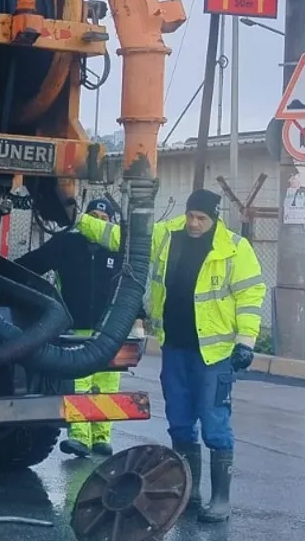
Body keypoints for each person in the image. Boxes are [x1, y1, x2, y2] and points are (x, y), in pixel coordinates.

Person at [77, 188, 266, 523]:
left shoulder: (235, 249)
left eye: (201, 218)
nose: (194, 223)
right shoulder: (167, 235)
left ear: (214, 218)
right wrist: (80, 220)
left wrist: (245, 342)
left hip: (214, 355)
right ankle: (188, 493)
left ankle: (220, 500)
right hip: (175, 347)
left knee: (214, 424)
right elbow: (121, 238)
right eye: (191, 216)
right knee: (180, 423)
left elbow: (250, 295)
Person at [16, 197, 126, 458]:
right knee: (79, 383)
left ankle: (101, 438)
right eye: (94, 218)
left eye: (104, 220)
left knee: (106, 385)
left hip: (108, 330)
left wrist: (138, 317)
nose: (98, 224)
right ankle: (79, 438)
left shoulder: (118, 250)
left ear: (111, 223)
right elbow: (33, 263)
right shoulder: (66, 243)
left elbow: (131, 285)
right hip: (74, 328)